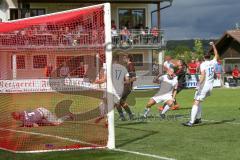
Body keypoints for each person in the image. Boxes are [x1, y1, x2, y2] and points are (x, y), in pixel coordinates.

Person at [182, 42, 219, 127]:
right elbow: (216, 54)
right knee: (199, 101)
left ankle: (191, 122)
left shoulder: (203, 64)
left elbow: (203, 75)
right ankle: (198, 118)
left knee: (196, 102)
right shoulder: (213, 62)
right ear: (210, 57)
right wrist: (213, 45)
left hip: (204, 86)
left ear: (203, 57)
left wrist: (198, 85)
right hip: (210, 87)